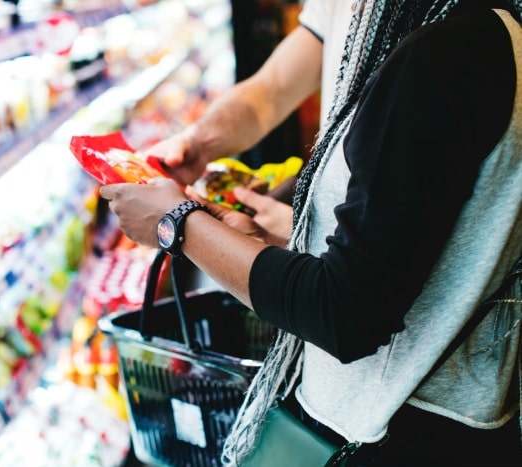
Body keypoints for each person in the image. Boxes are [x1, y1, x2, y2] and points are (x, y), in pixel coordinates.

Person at [100, 0, 522, 465]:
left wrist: (178, 225)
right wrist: (272, 240)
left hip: (389, 429)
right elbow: (408, 254)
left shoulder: (440, 58)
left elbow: (345, 315)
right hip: (456, 420)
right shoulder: (494, 32)